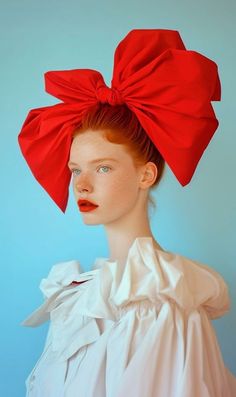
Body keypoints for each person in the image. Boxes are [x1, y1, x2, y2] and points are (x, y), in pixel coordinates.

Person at [18, 29, 236, 396]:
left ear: (145, 174)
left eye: (102, 168)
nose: (81, 185)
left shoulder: (166, 303)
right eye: (75, 169)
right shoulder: (81, 296)